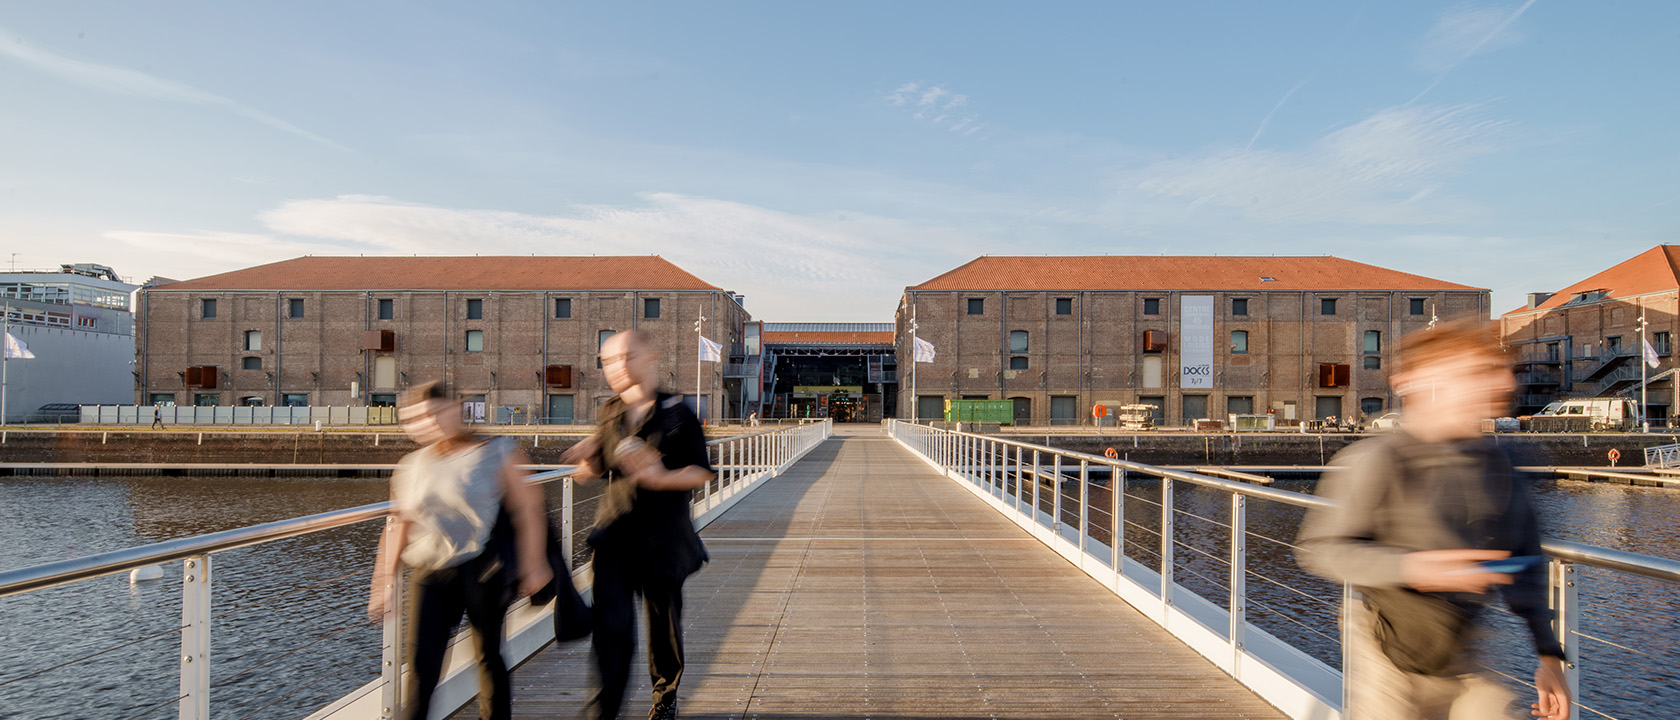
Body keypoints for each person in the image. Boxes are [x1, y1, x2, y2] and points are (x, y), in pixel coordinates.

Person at [1297, 319, 1571, 720]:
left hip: (1460, 646)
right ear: (1428, 381)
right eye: (1476, 373)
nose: (1501, 384)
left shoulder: (1501, 465)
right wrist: (1412, 567)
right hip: (1384, 643)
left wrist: (1548, 655)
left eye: (1497, 373)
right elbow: (1321, 548)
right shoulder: (1380, 460)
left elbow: (1526, 563)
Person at [367, 382, 551, 720]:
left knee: (488, 657)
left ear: (457, 408)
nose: (428, 422)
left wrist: (534, 563)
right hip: (430, 573)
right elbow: (398, 524)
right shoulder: (411, 464)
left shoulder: (498, 450)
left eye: (436, 412)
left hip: (482, 570)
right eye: (416, 418)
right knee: (423, 666)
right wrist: (384, 582)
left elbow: (528, 508)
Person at [561, 330, 714, 720]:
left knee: (662, 628)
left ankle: (664, 697)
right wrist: (586, 463)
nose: (617, 367)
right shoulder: (610, 412)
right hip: (614, 538)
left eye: (627, 356)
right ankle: (604, 710)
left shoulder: (679, 414)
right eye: (609, 360)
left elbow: (701, 472)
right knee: (611, 629)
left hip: (663, 541)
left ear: (651, 358)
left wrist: (661, 477)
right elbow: (599, 466)